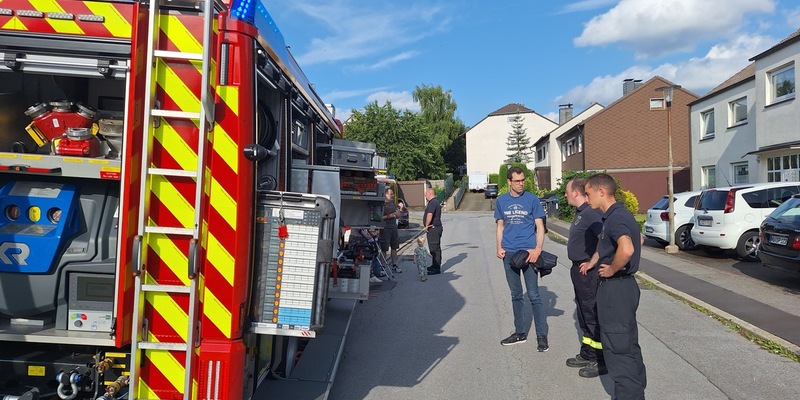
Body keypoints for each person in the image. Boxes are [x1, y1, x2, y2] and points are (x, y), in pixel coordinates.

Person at [582, 173, 647, 399]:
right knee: (627, 343)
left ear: (602, 192)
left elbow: (627, 248)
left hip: (616, 288)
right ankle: (636, 391)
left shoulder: (615, 217)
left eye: (588, 193)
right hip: (625, 288)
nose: (586, 198)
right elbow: (639, 239)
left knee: (618, 348)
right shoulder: (621, 215)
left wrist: (611, 268)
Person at [494, 167, 549, 351]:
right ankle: (519, 333)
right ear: (509, 181)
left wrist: (537, 249)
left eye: (523, 180)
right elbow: (500, 225)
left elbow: (540, 227)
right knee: (516, 295)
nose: (521, 183)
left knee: (533, 295)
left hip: (528, 253)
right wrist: (499, 246)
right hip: (509, 253)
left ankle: (542, 336)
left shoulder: (532, 200)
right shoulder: (501, 201)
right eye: (517, 181)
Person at [564, 178, 606, 378]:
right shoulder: (582, 213)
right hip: (578, 270)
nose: (564, 195)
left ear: (575, 193)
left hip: (587, 272)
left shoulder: (591, 213)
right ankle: (588, 352)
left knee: (591, 313)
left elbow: (603, 238)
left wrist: (592, 261)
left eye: (566, 192)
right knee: (583, 313)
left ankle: (600, 359)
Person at [380, 187, 402, 274]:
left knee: (394, 246)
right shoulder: (382, 204)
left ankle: (394, 265)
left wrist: (398, 213)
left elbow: (398, 214)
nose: (392, 195)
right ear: (385, 194)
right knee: (384, 248)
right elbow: (380, 217)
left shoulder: (393, 203)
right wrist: (391, 215)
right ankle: (382, 266)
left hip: (394, 227)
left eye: (392, 193)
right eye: (390, 194)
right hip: (385, 228)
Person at [423, 187, 443, 275]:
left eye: (425, 194)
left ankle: (436, 268)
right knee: (433, 248)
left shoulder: (433, 203)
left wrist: (427, 225)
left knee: (435, 248)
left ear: (430, 193)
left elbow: (430, 214)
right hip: (434, 228)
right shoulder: (434, 202)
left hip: (433, 228)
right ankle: (434, 265)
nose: (425, 196)